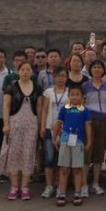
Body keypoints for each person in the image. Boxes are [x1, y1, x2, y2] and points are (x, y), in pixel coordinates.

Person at [0, 61, 42, 200]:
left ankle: (25, 187)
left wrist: (40, 125)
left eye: (28, 69)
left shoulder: (37, 87)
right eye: (23, 69)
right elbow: (6, 106)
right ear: (18, 71)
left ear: (32, 72)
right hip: (15, 123)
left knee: (28, 154)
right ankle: (14, 187)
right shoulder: (11, 86)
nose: (25, 72)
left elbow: (39, 107)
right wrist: (6, 124)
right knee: (14, 154)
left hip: (31, 124)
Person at [53, 86, 92, 206]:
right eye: (72, 94)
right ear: (69, 96)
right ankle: (62, 194)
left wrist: (89, 141)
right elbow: (58, 123)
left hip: (78, 141)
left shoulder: (85, 110)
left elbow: (88, 126)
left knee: (77, 169)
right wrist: (54, 138)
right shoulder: (64, 109)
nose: (75, 97)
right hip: (65, 140)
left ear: (82, 96)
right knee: (64, 168)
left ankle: (77, 193)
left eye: (77, 94)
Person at [82, 60, 106, 197]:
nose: (97, 69)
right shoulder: (85, 86)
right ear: (90, 70)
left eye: (100, 67)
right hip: (88, 121)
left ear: (103, 70)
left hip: (103, 121)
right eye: (94, 67)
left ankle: (95, 183)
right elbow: (81, 104)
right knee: (87, 152)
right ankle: (83, 184)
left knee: (99, 153)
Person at [40, 66, 69, 198]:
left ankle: (59, 185)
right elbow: (45, 110)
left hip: (65, 130)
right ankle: (49, 186)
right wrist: (42, 126)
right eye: (58, 76)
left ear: (66, 78)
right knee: (49, 158)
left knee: (62, 159)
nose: (60, 79)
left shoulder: (69, 92)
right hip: (49, 128)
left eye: (63, 76)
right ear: (54, 77)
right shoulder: (48, 92)